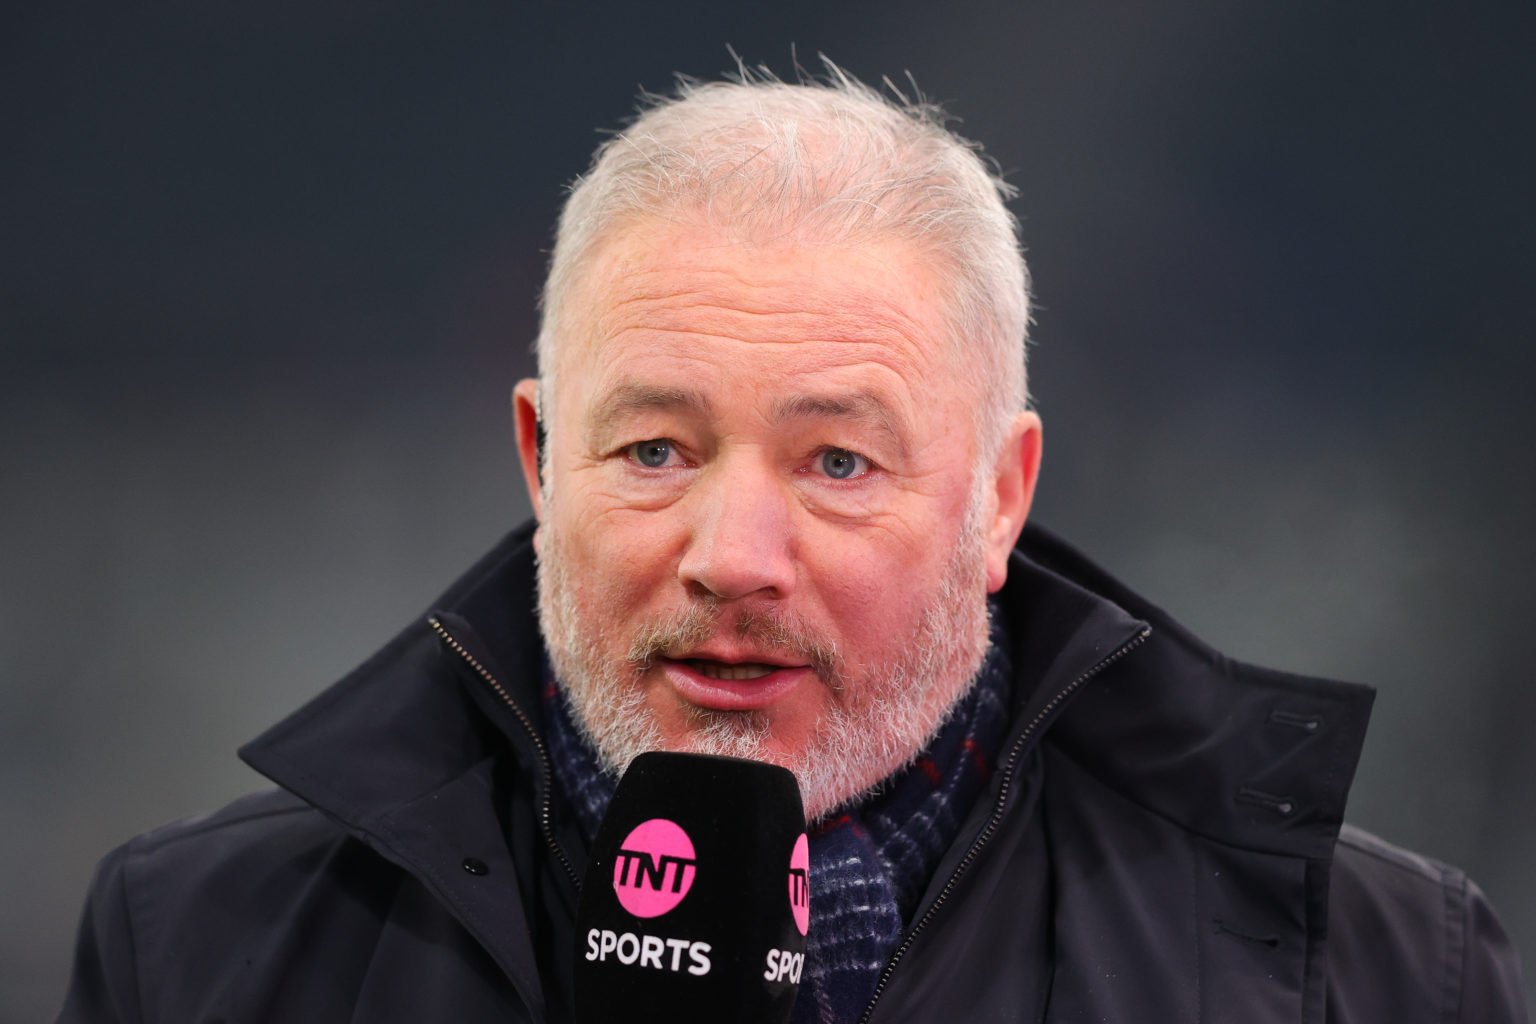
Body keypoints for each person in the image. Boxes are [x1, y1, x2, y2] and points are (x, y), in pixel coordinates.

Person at [60, 65, 1527, 1023]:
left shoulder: (1392, 972)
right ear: (538, 459)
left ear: (1000, 497)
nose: (734, 556)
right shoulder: (191, 950)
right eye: (654, 451)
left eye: (836, 460)